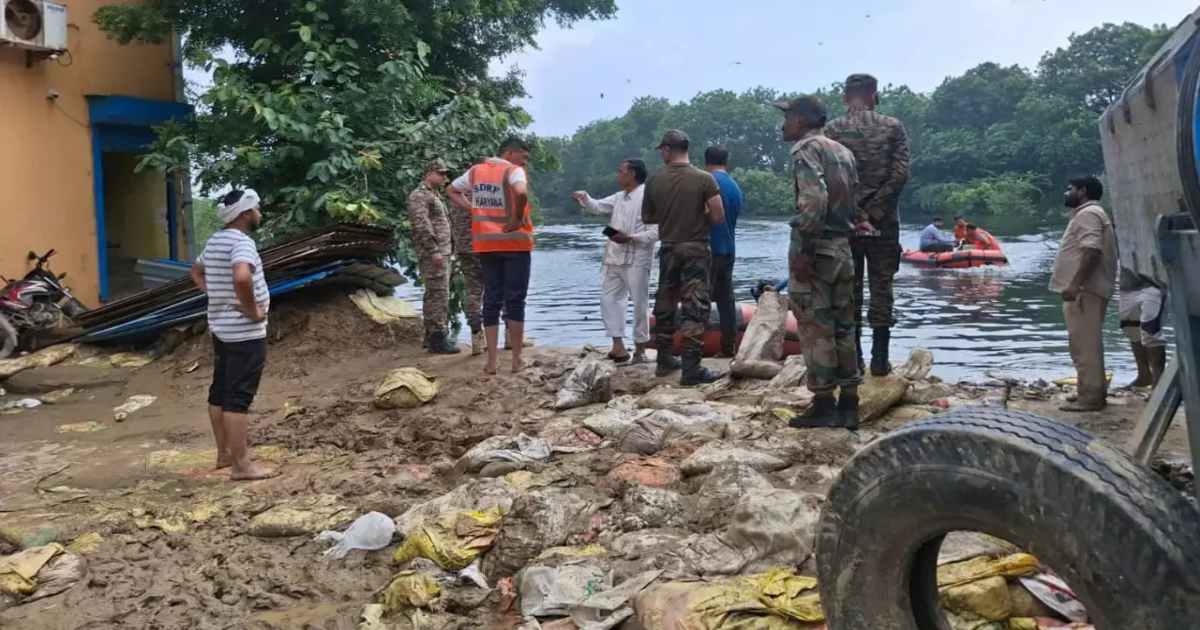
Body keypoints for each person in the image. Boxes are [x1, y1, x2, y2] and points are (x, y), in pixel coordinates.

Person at [773, 96, 862, 428]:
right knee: (844, 326)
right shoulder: (844, 152)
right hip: (842, 248)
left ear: (800, 120)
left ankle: (824, 403)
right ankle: (850, 403)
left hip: (818, 250)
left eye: (787, 118)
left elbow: (813, 201)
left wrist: (805, 252)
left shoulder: (805, 150)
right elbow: (854, 202)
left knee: (814, 327)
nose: (783, 125)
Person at [825, 73, 911, 377]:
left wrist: (855, 212)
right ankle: (880, 359)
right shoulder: (893, 127)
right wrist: (874, 212)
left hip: (845, 223)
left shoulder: (832, 130)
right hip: (884, 223)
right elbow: (900, 174)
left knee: (849, 291)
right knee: (882, 286)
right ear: (875, 95)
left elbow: (830, 180)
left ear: (845, 97)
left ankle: (855, 359)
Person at [189, 189, 276, 481]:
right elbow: (241, 276)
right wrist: (252, 311)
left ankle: (224, 454)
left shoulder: (215, 241)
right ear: (245, 213)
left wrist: (215, 294)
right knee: (238, 398)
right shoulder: (242, 243)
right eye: (257, 209)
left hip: (221, 329)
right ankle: (241, 466)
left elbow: (196, 271)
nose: (260, 213)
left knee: (220, 391)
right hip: (244, 333)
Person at [642, 129, 726, 386]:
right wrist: (698, 212)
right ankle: (691, 369)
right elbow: (718, 216)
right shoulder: (704, 179)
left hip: (669, 249)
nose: (662, 154)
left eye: (662, 150)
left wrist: (670, 215)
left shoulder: (654, 180)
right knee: (695, 307)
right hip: (696, 250)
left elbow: (648, 217)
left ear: (668, 149)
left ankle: (664, 360)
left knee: (665, 304)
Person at [447, 136, 536, 374]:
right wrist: (517, 219)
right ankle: (516, 360)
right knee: (515, 300)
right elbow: (521, 193)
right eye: (523, 157)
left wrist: (472, 208)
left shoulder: (475, 172)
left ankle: (492, 362)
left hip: (486, 245)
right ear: (509, 153)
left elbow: (451, 190)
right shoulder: (513, 171)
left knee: (491, 300)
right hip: (515, 245)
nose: (525, 162)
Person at [573, 159, 657, 363]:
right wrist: (585, 198)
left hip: (637, 257)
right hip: (614, 257)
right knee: (608, 300)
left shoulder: (649, 197)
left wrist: (630, 238)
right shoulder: (620, 197)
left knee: (639, 303)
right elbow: (598, 206)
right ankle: (618, 346)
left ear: (632, 174)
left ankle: (640, 350)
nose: (617, 175)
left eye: (621, 171)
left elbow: (656, 232)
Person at [1050, 175, 1118, 412]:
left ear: (1083, 191)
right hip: (1087, 290)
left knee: (1085, 345)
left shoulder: (1089, 214)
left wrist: (1075, 284)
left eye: (1071, 189)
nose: (1066, 193)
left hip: (1085, 291)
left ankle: (1091, 398)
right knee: (1081, 343)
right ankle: (1087, 390)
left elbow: (1092, 251)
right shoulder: (1090, 214)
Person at [407, 160, 460, 354]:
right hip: (434, 253)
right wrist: (434, 250)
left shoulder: (433, 195)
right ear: (429, 173)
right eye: (441, 173)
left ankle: (431, 337)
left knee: (436, 293)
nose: (444, 178)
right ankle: (438, 339)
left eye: (445, 174)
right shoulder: (419, 195)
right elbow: (421, 225)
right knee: (438, 294)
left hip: (443, 251)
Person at [704, 145, 745, 357]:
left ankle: (693, 349)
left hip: (710, 248)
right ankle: (728, 347)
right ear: (726, 162)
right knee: (725, 299)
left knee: (700, 300)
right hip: (729, 248)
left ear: (705, 162)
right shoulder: (735, 187)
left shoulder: (708, 183)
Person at [448, 162, 486, 356]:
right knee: (497, 288)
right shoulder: (481, 194)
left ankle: (476, 336)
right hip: (484, 246)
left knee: (473, 290)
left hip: (463, 249)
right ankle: (509, 337)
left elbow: (450, 224)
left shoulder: (454, 198)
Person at [1118, 267, 1168, 387]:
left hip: (1155, 284)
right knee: (1131, 330)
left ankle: (1158, 381)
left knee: (1150, 331)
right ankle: (1144, 376)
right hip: (1127, 286)